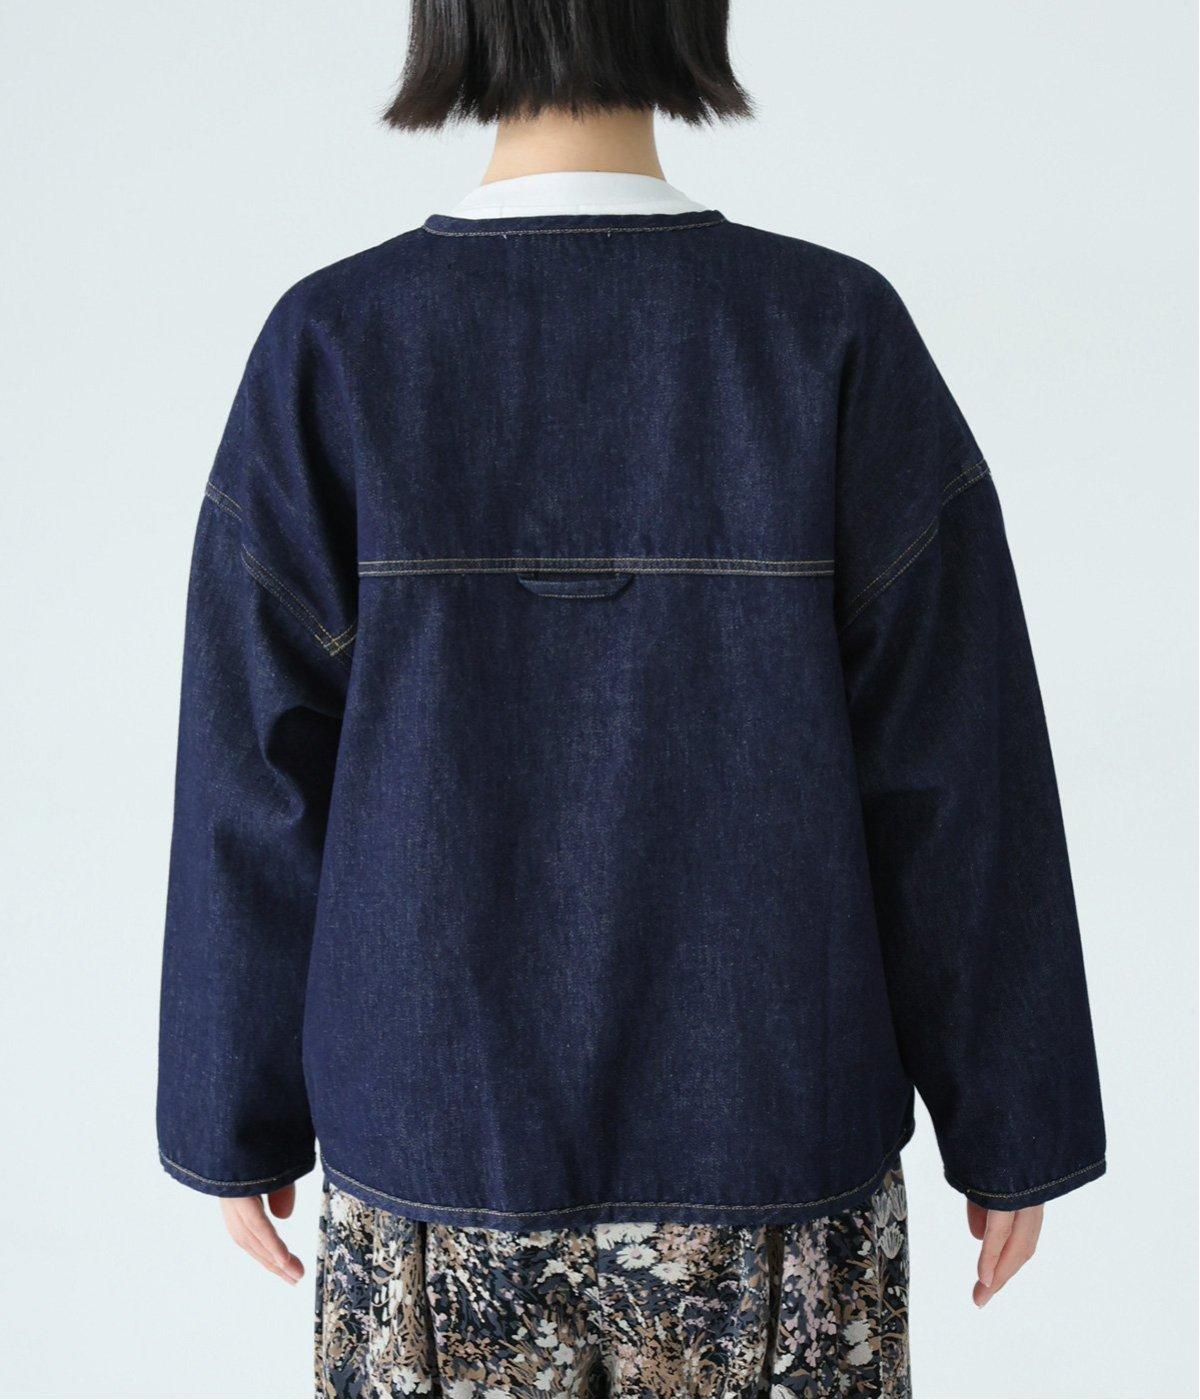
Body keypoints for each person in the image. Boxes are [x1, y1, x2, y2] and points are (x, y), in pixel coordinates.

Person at [156, 2, 1106, 1395]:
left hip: (432, 1166)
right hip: (776, 1162)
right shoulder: (827, 331)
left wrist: (228, 1115)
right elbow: (957, 771)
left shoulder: (335, 345)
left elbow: (253, 773)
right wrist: (1013, 1120)